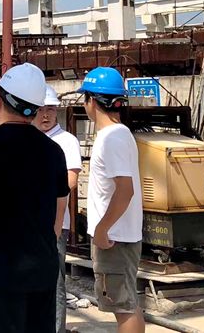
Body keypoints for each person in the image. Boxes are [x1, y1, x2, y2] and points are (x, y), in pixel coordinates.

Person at [0, 64, 70, 333]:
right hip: (42, 267)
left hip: (0, 266)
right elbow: (60, 207)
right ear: (35, 109)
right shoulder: (54, 150)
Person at [80, 67, 145, 332]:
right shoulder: (120, 134)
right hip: (120, 235)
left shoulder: (112, 138)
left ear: (91, 101)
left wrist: (102, 228)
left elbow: (125, 190)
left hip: (114, 238)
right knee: (127, 304)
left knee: (122, 307)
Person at [35, 85, 82, 333]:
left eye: (50, 109)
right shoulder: (29, 138)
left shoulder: (66, 141)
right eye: (40, 109)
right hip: (29, 223)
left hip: (55, 223)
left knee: (54, 281)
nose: (45, 115)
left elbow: (70, 181)